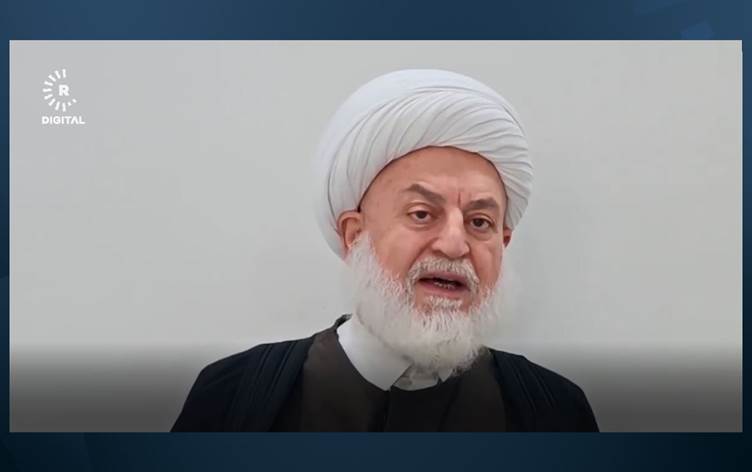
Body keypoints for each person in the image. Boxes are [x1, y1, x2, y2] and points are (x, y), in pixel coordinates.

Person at [171, 69, 599, 432]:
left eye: (480, 222)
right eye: (422, 214)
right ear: (354, 234)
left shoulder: (557, 412)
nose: (455, 244)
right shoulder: (232, 396)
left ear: (503, 244)